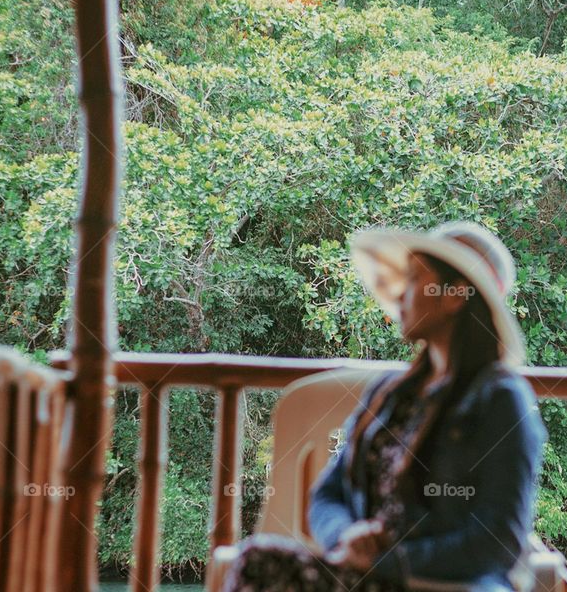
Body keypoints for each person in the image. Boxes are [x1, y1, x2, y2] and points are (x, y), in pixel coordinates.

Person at [223, 221, 548, 591]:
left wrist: (390, 562)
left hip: (445, 585)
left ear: (455, 296)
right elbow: (327, 494)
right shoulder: (390, 393)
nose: (398, 298)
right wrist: (348, 538)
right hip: (368, 575)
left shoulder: (501, 399)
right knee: (257, 560)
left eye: (412, 281)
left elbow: (497, 541)